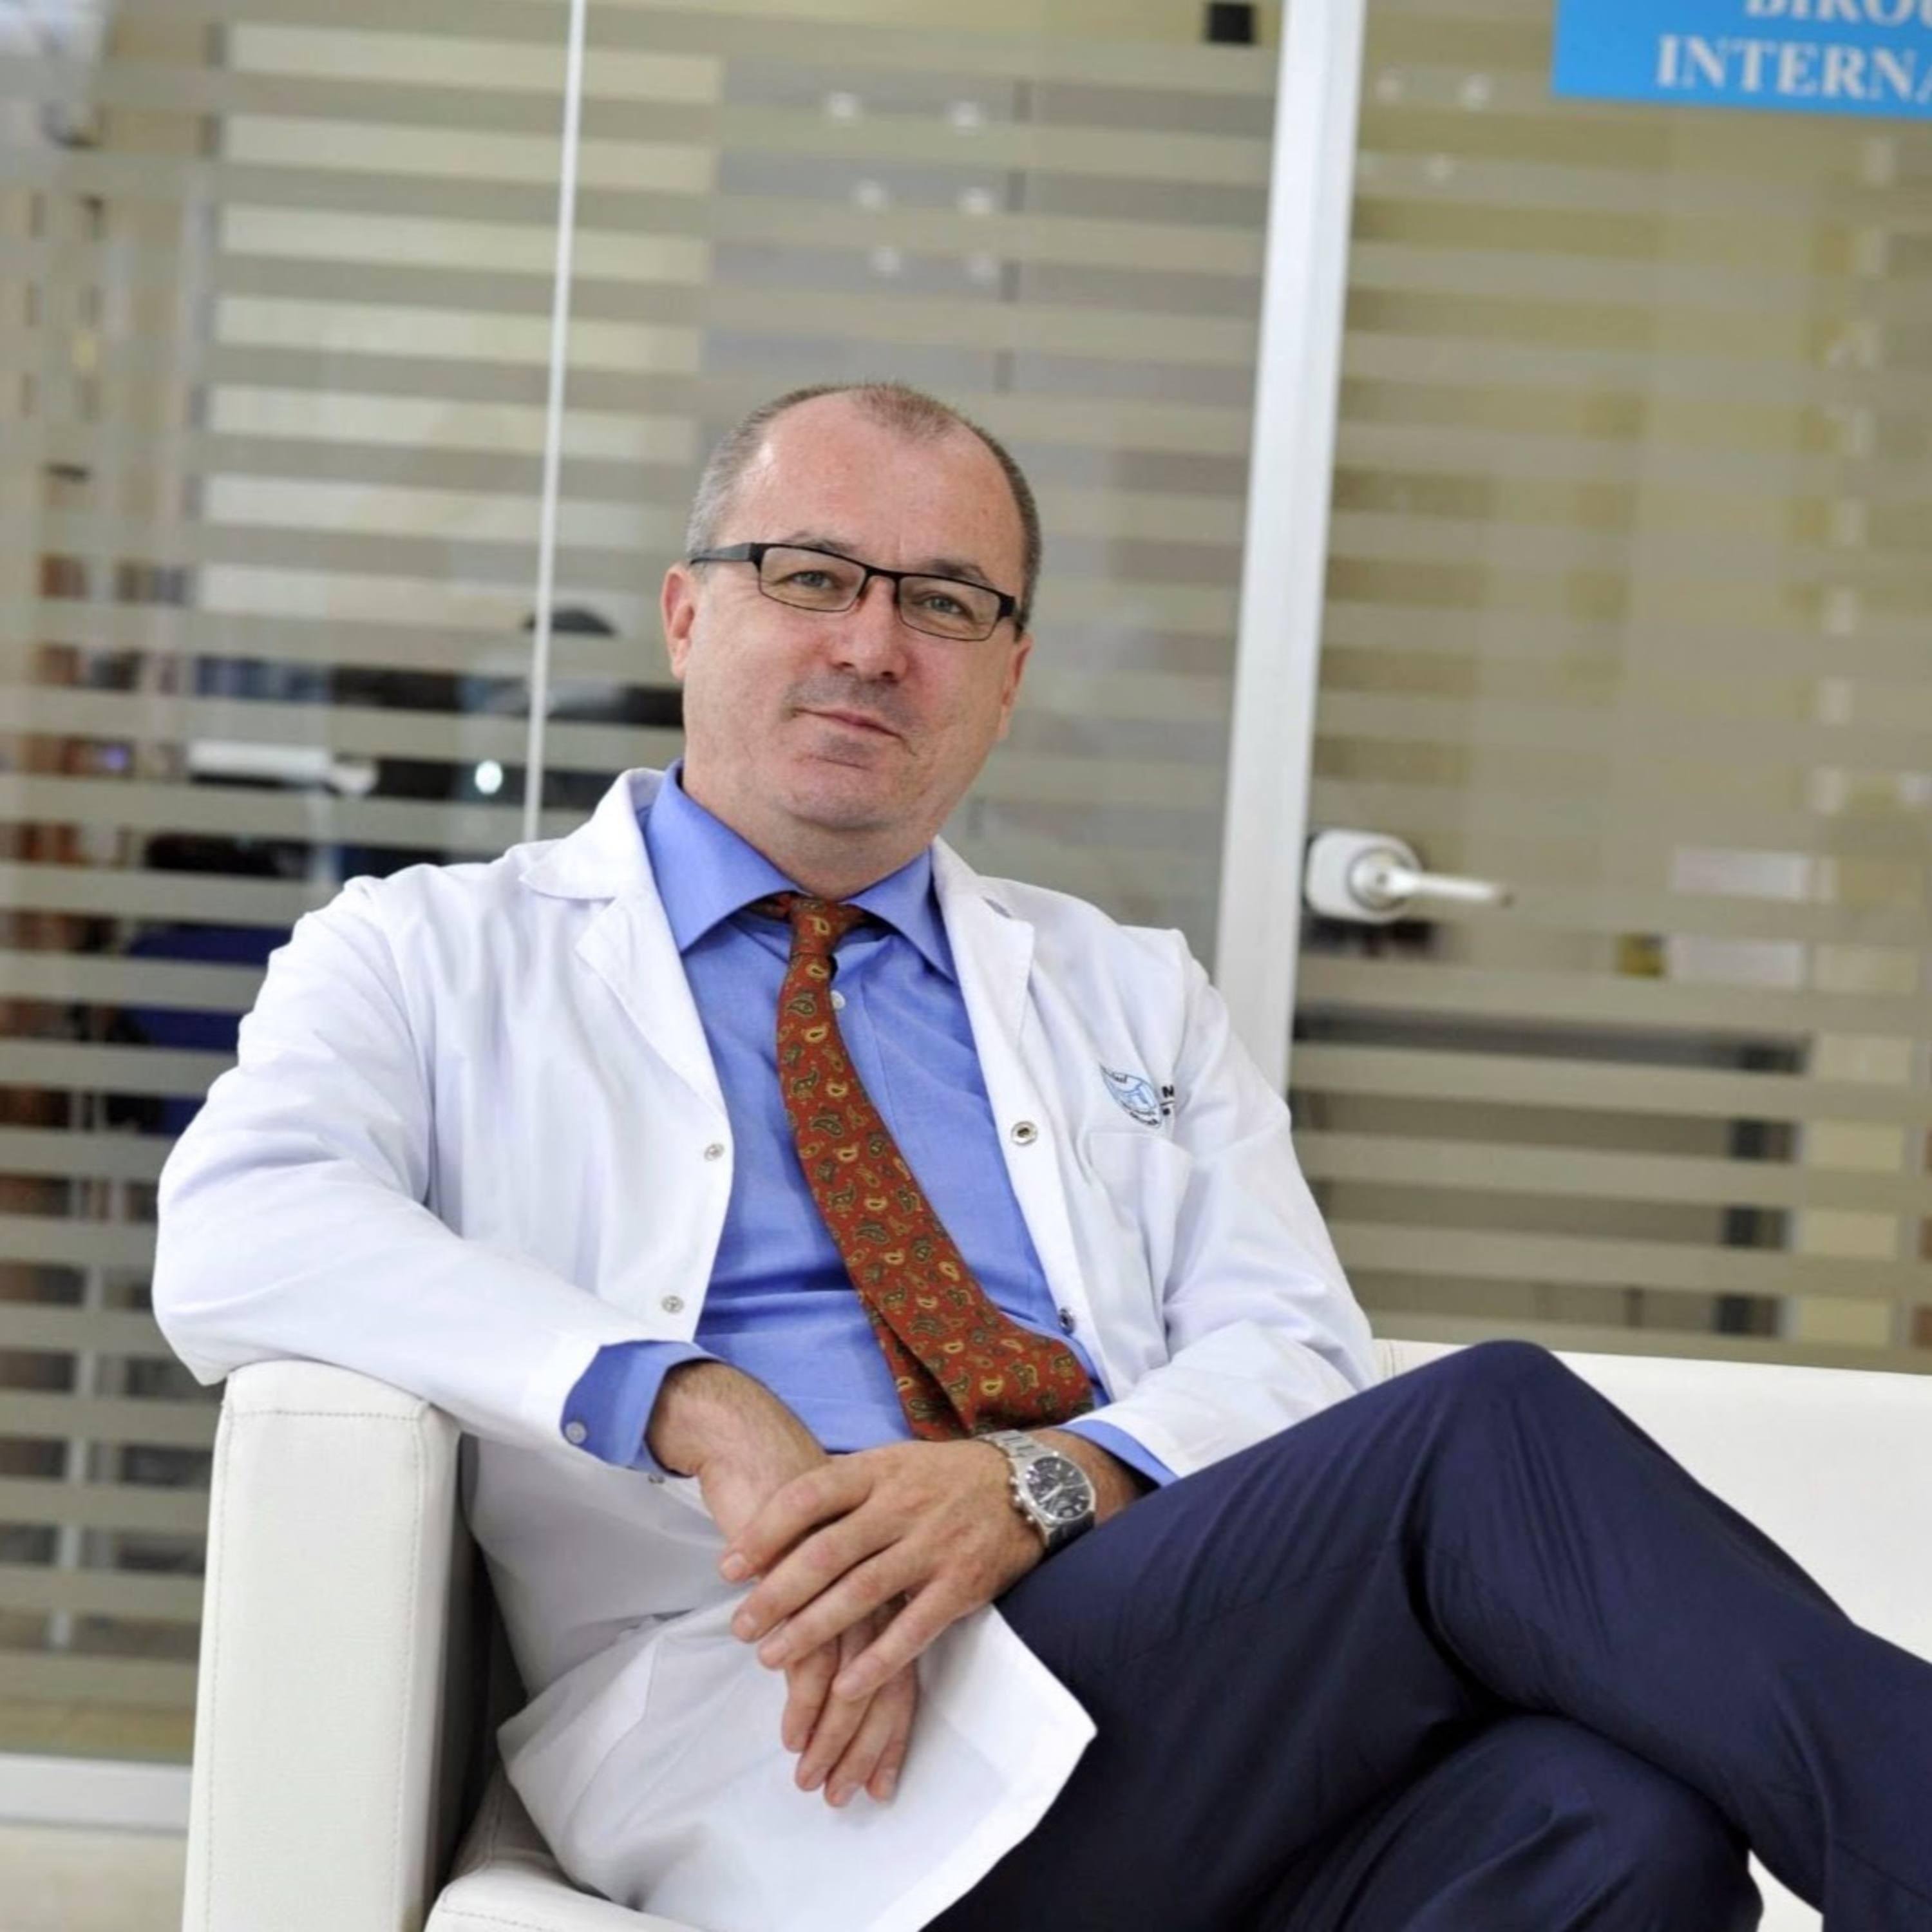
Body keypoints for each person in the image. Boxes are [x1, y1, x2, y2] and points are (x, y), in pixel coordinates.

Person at [155, 383, 1932, 1932]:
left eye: (945, 602)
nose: (874, 643)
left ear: (1007, 681)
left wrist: (1039, 1486)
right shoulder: (433, 952)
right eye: (813, 575)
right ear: (690, 614)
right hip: (786, 1714)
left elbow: (1295, 1350)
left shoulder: (1126, 990)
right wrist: (687, 1398)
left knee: (1614, 1829)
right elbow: (244, 1226)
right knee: (1488, 1431)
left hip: (1151, 1665)